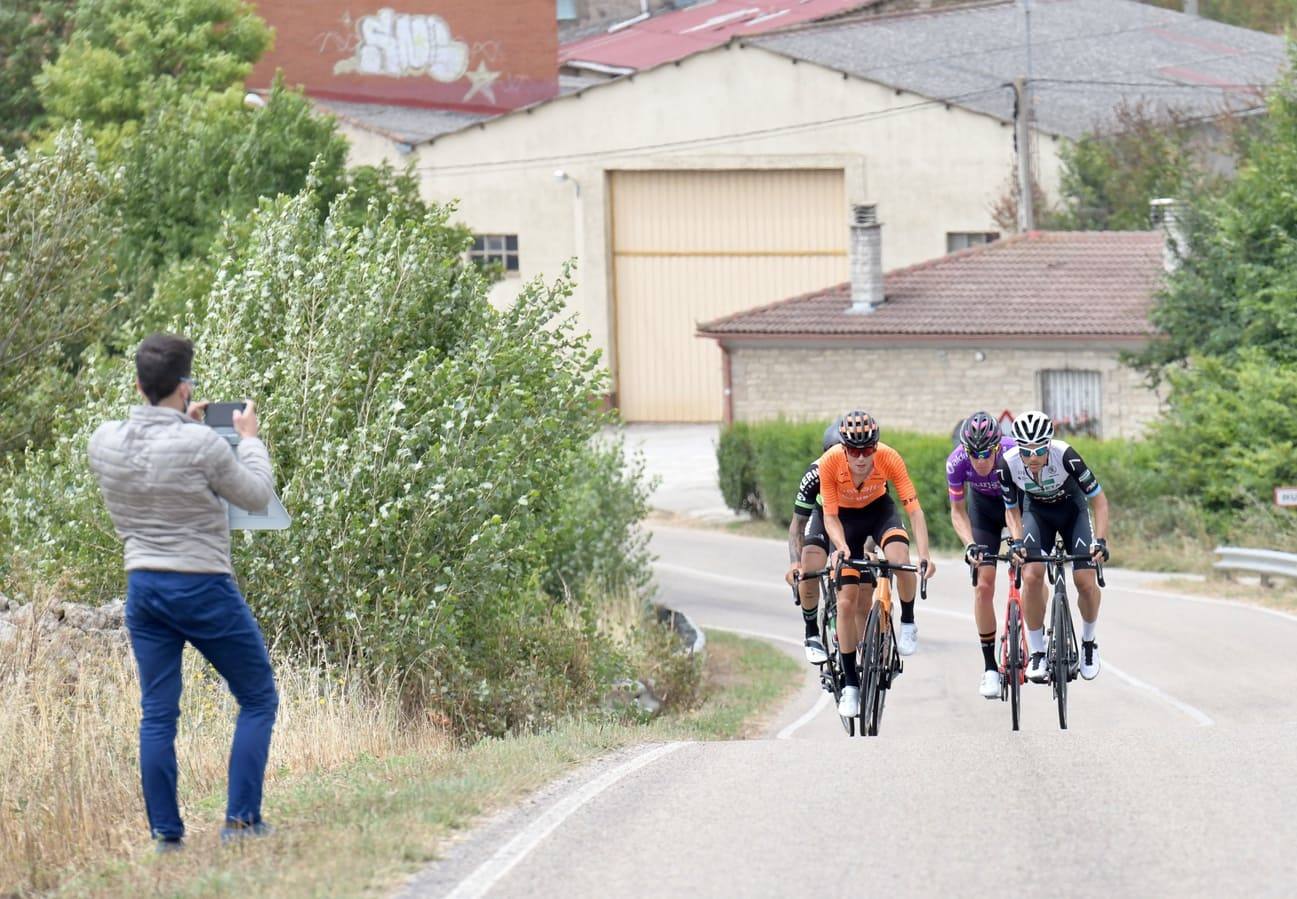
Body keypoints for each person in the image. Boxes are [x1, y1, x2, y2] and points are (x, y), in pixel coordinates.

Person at [88, 333, 279, 852]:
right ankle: (240, 822)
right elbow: (256, 495)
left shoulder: (103, 440)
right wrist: (251, 438)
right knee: (258, 696)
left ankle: (166, 836)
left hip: (143, 586)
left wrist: (179, 425)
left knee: (158, 713)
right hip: (202, 584)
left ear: (138, 385)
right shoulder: (203, 444)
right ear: (184, 385)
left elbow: (154, 466)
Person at [810, 411, 937, 717]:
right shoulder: (829, 464)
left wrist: (925, 555)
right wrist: (840, 547)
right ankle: (851, 685)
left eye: (868, 450)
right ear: (843, 449)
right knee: (846, 602)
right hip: (844, 521)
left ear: (876, 446)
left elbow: (914, 510)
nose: (862, 458)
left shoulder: (889, 458)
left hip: (879, 512)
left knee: (900, 561)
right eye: (854, 451)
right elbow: (829, 516)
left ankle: (907, 620)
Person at [997, 411, 1110, 683]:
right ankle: (1037, 651)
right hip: (1037, 514)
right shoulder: (1007, 464)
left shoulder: (1066, 455)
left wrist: (1101, 541)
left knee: (1085, 579)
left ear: (1048, 445)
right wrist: (1018, 541)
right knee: (1032, 575)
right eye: (1026, 450)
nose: (1032, 457)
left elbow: (1099, 500)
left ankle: (1088, 642)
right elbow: (1011, 510)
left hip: (1073, 513)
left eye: (1038, 450)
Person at [947, 412, 1018, 699]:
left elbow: (1025, 504)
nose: (979, 460)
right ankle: (990, 668)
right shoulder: (956, 462)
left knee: (1031, 570)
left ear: (997, 446)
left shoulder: (1013, 453)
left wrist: (1019, 540)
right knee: (983, 585)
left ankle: (1035, 644)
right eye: (973, 453)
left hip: (1017, 505)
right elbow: (957, 511)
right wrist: (969, 544)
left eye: (986, 452)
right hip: (983, 512)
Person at [785, 419, 841, 664]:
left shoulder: (868, 469)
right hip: (821, 517)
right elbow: (797, 525)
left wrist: (870, 551)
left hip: (854, 521)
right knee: (809, 568)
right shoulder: (814, 474)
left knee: (865, 572)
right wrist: (795, 564)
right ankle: (811, 632)